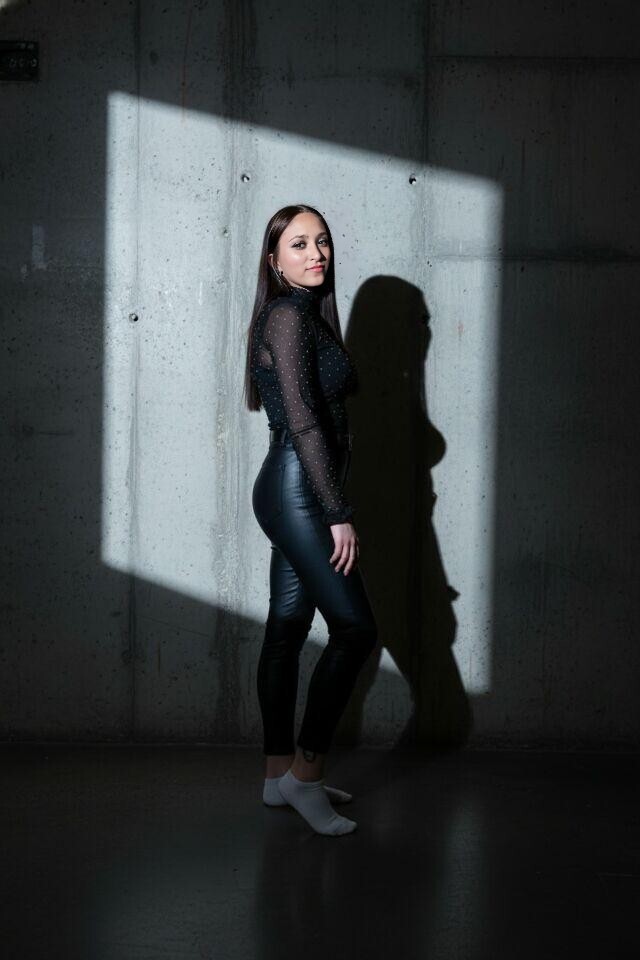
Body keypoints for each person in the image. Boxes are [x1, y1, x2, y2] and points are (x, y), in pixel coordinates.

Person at [244, 204, 378, 836]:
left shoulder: (308, 317)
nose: (316, 253)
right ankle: (306, 775)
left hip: (298, 486)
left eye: (321, 241)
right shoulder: (285, 316)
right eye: (298, 244)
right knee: (355, 630)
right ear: (274, 259)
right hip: (297, 489)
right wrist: (337, 514)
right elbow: (302, 421)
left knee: (288, 627)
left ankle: (278, 777)